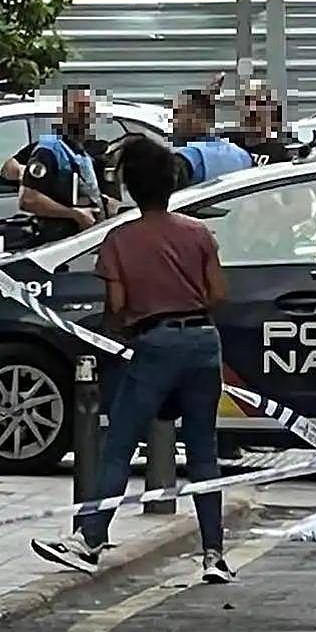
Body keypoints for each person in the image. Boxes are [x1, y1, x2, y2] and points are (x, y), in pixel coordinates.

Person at [31, 136, 233, 583]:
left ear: (129, 187)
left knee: (119, 442)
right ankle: (214, 554)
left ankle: (90, 539)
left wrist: (125, 329)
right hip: (203, 341)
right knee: (204, 450)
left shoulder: (119, 240)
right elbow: (220, 293)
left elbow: (117, 307)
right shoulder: (198, 234)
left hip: (154, 344)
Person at [18, 85, 121, 243]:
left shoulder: (85, 151)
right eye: (78, 109)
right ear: (63, 113)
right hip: (58, 243)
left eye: (88, 110)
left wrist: (107, 203)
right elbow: (28, 200)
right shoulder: (49, 150)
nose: (84, 115)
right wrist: (74, 214)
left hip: (87, 240)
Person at [171, 87, 253, 188]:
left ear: (195, 117)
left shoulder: (190, 157)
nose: (174, 121)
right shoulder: (242, 155)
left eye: (177, 113)